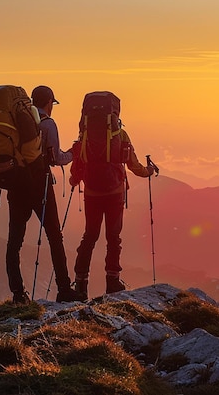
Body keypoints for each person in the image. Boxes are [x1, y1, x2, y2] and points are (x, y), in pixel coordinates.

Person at [69, 92, 155, 299]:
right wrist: (148, 171)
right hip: (115, 192)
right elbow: (133, 164)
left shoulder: (85, 135)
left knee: (89, 236)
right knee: (113, 237)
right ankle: (113, 282)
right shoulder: (120, 135)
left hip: (91, 193)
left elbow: (77, 164)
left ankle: (80, 283)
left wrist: (74, 180)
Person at [5, 85, 83, 304]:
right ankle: (64, 289)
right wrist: (73, 154)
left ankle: (18, 294)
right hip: (40, 185)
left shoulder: (16, 121)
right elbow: (56, 157)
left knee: (15, 241)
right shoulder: (48, 123)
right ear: (49, 102)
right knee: (54, 237)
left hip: (16, 185)